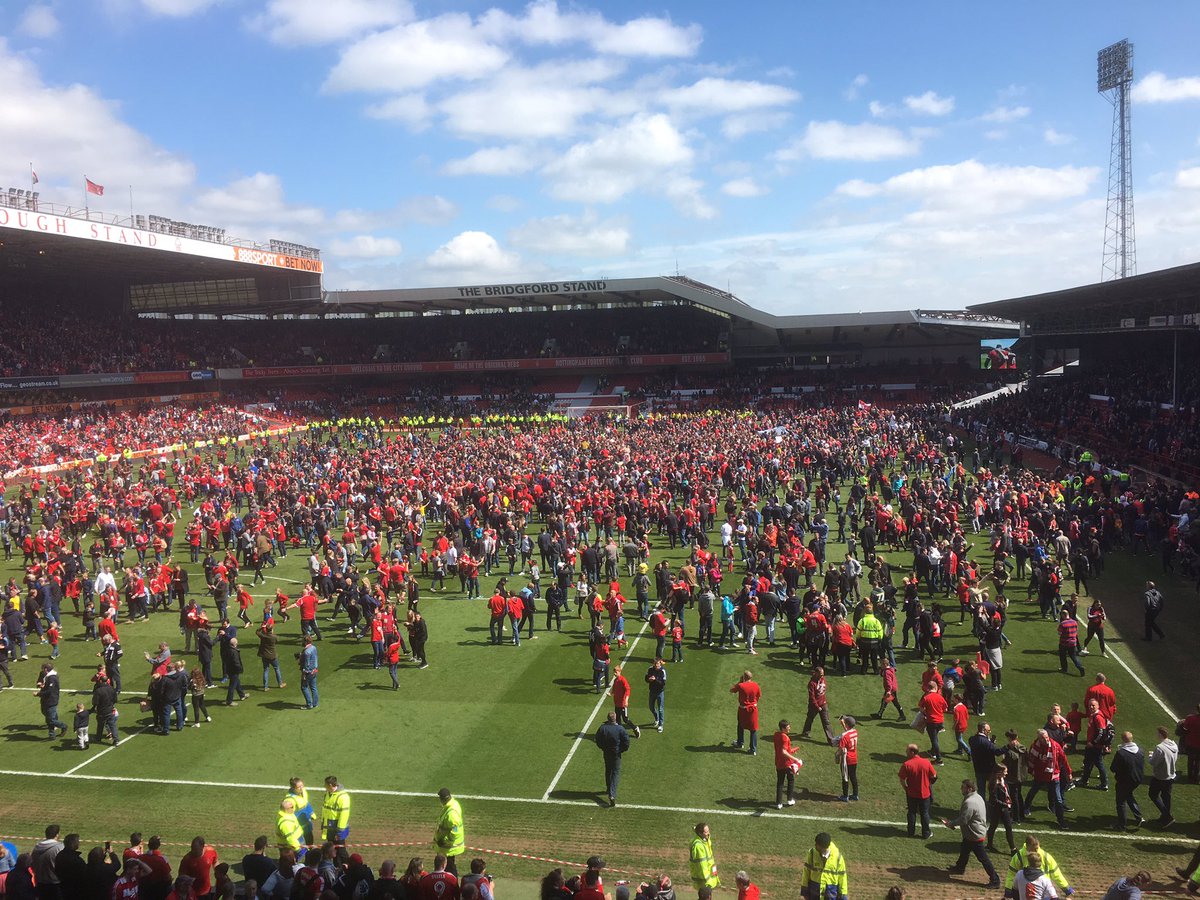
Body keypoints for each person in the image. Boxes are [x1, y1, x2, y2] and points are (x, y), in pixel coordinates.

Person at [941, 778, 1000, 889]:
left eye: (963, 787)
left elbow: (963, 820)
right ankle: (960, 868)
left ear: (970, 788)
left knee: (983, 858)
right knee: (964, 849)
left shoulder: (970, 802)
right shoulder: (977, 797)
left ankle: (995, 880)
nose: (961, 789)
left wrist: (950, 824)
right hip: (973, 833)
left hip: (974, 835)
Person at [1004, 836, 1073, 897]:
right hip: (1026, 892)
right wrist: (1008, 889)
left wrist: (1066, 887)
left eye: (1037, 848)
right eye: (1034, 849)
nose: (1036, 851)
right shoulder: (1018, 857)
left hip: (1043, 891)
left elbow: (1056, 874)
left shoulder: (1046, 857)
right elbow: (1011, 874)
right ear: (1027, 847)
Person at [898, 743, 937, 839]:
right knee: (924, 813)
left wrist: (906, 788)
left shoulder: (907, 764)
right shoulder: (926, 762)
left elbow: (902, 779)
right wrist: (928, 784)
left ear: (912, 752)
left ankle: (910, 832)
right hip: (925, 794)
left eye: (907, 750)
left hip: (912, 793)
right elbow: (934, 776)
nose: (905, 752)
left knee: (911, 812)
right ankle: (926, 833)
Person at [595, 711, 631, 807]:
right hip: (616, 754)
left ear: (608, 718)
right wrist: (621, 750)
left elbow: (597, 739)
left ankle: (608, 788)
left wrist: (602, 747)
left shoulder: (603, 728)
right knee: (615, 773)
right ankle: (612, 794)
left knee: (608, 770)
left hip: (606, 753)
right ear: (615, 718)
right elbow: (627, 741)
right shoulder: (620, 729)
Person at [1111, 730, 1145, 830]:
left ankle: (1122, 825)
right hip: (1137, 779)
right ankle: (1138, 817)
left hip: (1124, 780)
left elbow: (1113, 768)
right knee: (1128, 795)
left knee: (1121, 801)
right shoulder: (1140, 751)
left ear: (1123, 740)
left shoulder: (1121, 753)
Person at [801, 832, 847, 900]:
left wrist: (843, 896)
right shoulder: (812, 853)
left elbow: (842, 877)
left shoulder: (838, 857)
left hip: (830, 894)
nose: (815, 845)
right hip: (814, 893)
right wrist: (804, 891)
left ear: (823, 847)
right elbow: (806, 872)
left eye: (817, 844)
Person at [1148, 724, 1178, 827]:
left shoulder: (1160, 748)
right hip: (1171, 775)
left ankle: (1167, 816)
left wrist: (1151, 756)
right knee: (1166, 797)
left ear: (1160, 734)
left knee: (1153, 794)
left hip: (1160, 776)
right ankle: (1164, 817)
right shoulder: (1174, 745)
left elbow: (1154, 762)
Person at [434, 788, 465, 876]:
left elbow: (455, 831)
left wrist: (445, 841)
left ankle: (453, 886)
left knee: (449, 867)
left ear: (442, 799)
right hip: (447, 846)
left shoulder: (452, 813)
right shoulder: (452, 805)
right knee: (448, 867)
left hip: (448, 847)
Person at [801, 667, 835, 744]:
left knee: (826, 722)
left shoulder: (822, 679)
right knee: (810, 718)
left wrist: (822, 703)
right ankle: (806, 732)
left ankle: (831, 740)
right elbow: (812, 697)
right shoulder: (811, 683)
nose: (822, 677)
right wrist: (817, 707)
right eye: (820, 675)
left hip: (823, 704)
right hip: (814, 706)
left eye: (823, 675)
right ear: (816, 673)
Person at [773, 720, 802, 809]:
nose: (789, 728)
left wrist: (792, 750)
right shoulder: (785, 738)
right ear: (783, 728)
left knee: (780, 782)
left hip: (778, 762)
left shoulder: (776, 735)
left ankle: (779, 803)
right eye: (788, 727)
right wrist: (795, 759)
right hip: (787, 763)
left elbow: (780, 749)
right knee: (791, 780)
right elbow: (784, 752)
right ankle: (789, 800)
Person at [730, 670, 761, 754]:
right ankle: (753, 749)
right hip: (753, 710)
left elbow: (732, 690)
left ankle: (740, 743)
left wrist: (740, 681)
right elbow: (758, 696)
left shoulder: (741, 685)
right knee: (753, 729)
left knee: (740, 725)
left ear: (744, 677)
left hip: (743, 710)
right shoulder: (756, 685)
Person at [36, 663, 68, 740]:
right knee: (48, 716)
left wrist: (38, 693)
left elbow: (49, 691)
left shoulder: (52, 678)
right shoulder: (48, 676)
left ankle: (63, 726)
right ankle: (52, 735)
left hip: (51, 700)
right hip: (46, 699)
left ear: (46, 669)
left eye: (43, 668)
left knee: (51, 719)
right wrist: (42, 685)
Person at [688, 823, 719, 893]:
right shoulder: (698, 846)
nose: (708, 833)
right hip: (704, 881)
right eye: (706, 832)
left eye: (708, 831)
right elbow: (702, 865)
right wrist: (707, 881)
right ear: (700, 833)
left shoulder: (705, 839)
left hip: (708, 877)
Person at [322, 775, 351, 846]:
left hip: (337, 829)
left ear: (330, 785)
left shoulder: (343, 797)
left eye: (325, 785)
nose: (324, 786)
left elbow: (344, 815)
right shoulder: (328, 794)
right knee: (331, 850)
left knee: (341, 851)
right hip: (329, 828)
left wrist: (340, 832)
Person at [611, 665, 640, 738]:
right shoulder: (615, 680)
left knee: (625, 719)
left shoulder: (623, 680)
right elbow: (614, 689)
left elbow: (628, 690)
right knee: (617, 720)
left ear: (620, 672)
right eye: (614, 672)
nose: (614, 673)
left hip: (622, 704)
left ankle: (635, 728)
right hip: (617, 703)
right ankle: (620, 733)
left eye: (616, 672)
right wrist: (610, 693)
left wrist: (626, 700)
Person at [834, 716, 859, 801]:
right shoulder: (855, 732)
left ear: (847, 724)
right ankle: (855, 795)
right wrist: (843, 725)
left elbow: (841, 748)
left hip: (846, 759)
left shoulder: (844, 736)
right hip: (854, 758)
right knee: (853, 776)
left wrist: (836, 755)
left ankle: (845, 796)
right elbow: (849, 733)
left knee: (845, 777)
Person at [645, 657, 666, 733]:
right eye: (655, 664)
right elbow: (646, 678)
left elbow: (663, 684)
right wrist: (649, 679)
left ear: (660, 663)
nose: (657, 666)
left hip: (660, 692)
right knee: (651, 707)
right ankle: (656, 718)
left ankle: (660, 725)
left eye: (658, 664)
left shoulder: (662, 671)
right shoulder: (650, 669)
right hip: (652, 691)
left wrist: (655, 679)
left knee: (660, 709)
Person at [299, 634, 319, 709]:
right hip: (315, 670)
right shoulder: (314, 648)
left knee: (304, 687)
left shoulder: (306, 652)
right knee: (313, 687)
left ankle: (309, 704)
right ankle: (315, 703)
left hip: (308, 672)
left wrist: (304, 674)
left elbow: (307, 664)